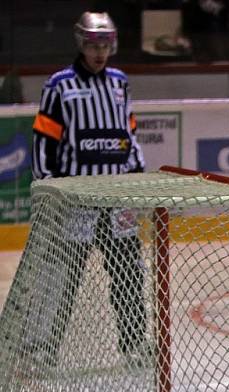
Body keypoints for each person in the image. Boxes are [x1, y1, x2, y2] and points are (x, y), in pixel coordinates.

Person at [30, 11, 149, 368]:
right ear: (81, 43)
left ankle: (133, 345)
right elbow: (43, 142)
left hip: (117, 202)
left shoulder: (119, 83)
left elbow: (129, 136)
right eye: (93, 44)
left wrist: (138, 180)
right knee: (61, 280)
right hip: (76, 203)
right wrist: (48, 189)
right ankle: (44, 350)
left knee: (128, 277)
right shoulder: (59, 85)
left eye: (106, 44)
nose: (100, 52)